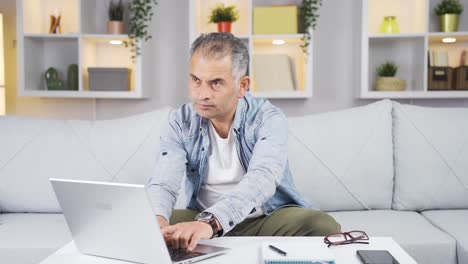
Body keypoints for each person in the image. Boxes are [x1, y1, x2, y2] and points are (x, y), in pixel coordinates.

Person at [146, 32, 340, 252]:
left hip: (263, 218)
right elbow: (163, 183)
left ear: (242, 85)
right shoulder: (179, 121)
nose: (202, 94)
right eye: (196, 81)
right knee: (141, 224)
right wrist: (158, 221)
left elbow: (263, 177)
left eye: (216, 83)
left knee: (322, 225)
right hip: (200, 216)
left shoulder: (268, 118)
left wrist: (210, 223)